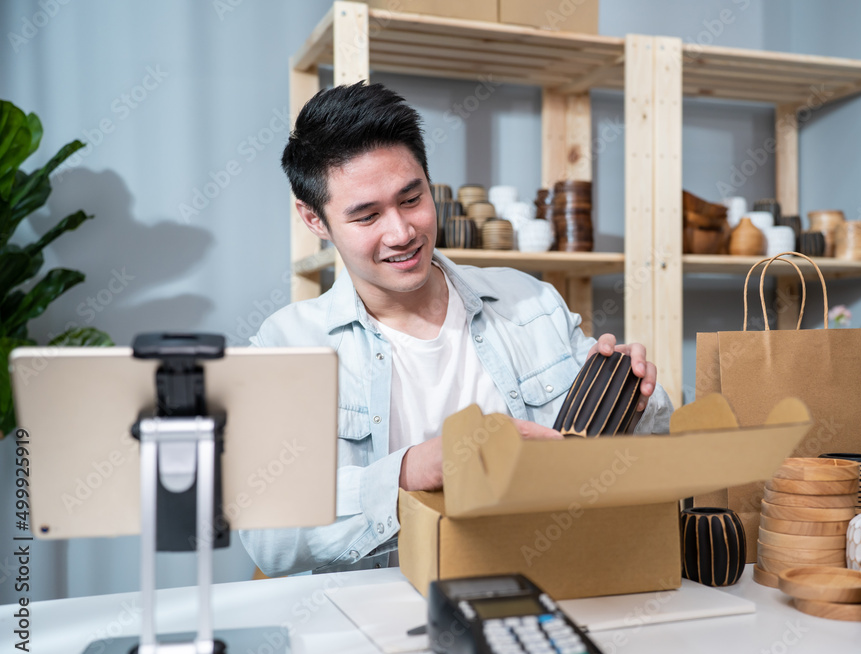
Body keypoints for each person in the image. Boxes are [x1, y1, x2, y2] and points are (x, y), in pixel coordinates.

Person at [239, 82, 673, 576]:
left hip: (545, 586)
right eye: (367, 215)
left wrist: (637, 401)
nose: (402, 232)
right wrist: (409, 471)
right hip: (380, 621)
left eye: (411, 198)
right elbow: (269, 537)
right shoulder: (290, 345)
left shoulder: (529, 303)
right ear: (314, 219)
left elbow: (629, 452)